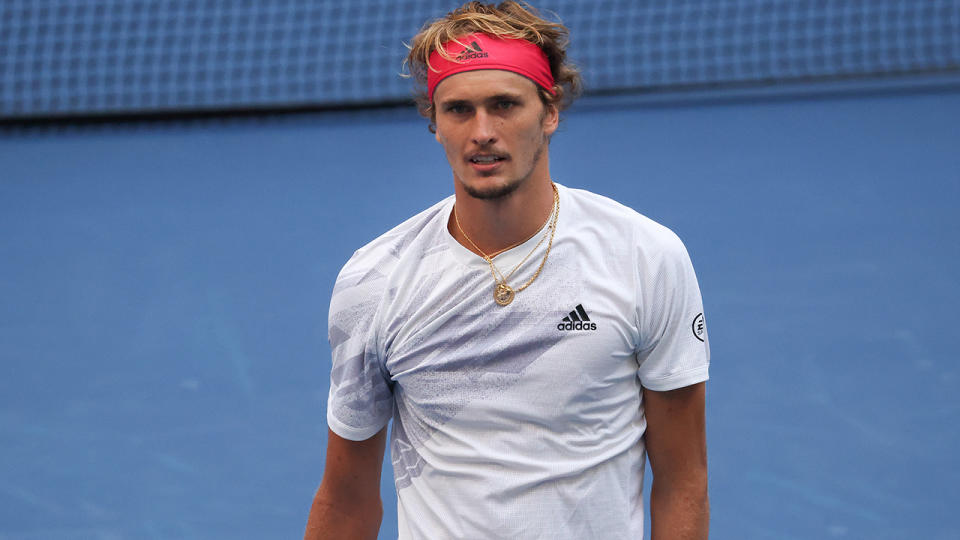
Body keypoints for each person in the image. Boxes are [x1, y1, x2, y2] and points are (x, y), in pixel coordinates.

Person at [304, 2, 710, 538]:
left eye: (504, 105)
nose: (482, 132)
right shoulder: (374, 281)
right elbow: (346, 501)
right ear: (434, 124)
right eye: (458, 110)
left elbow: (684, 482)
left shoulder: (645, 256)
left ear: (550, 111)